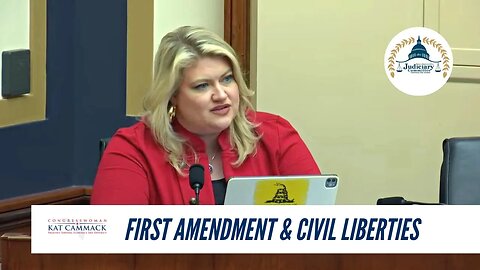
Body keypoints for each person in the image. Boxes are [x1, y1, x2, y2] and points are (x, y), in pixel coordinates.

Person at [91, 26, 320, 205]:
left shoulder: (275, 135)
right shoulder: (132, 150)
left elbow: (319, 227)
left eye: (227, 79)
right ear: (173, 95)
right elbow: (113, 248)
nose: (221, 95)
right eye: (202, 86)